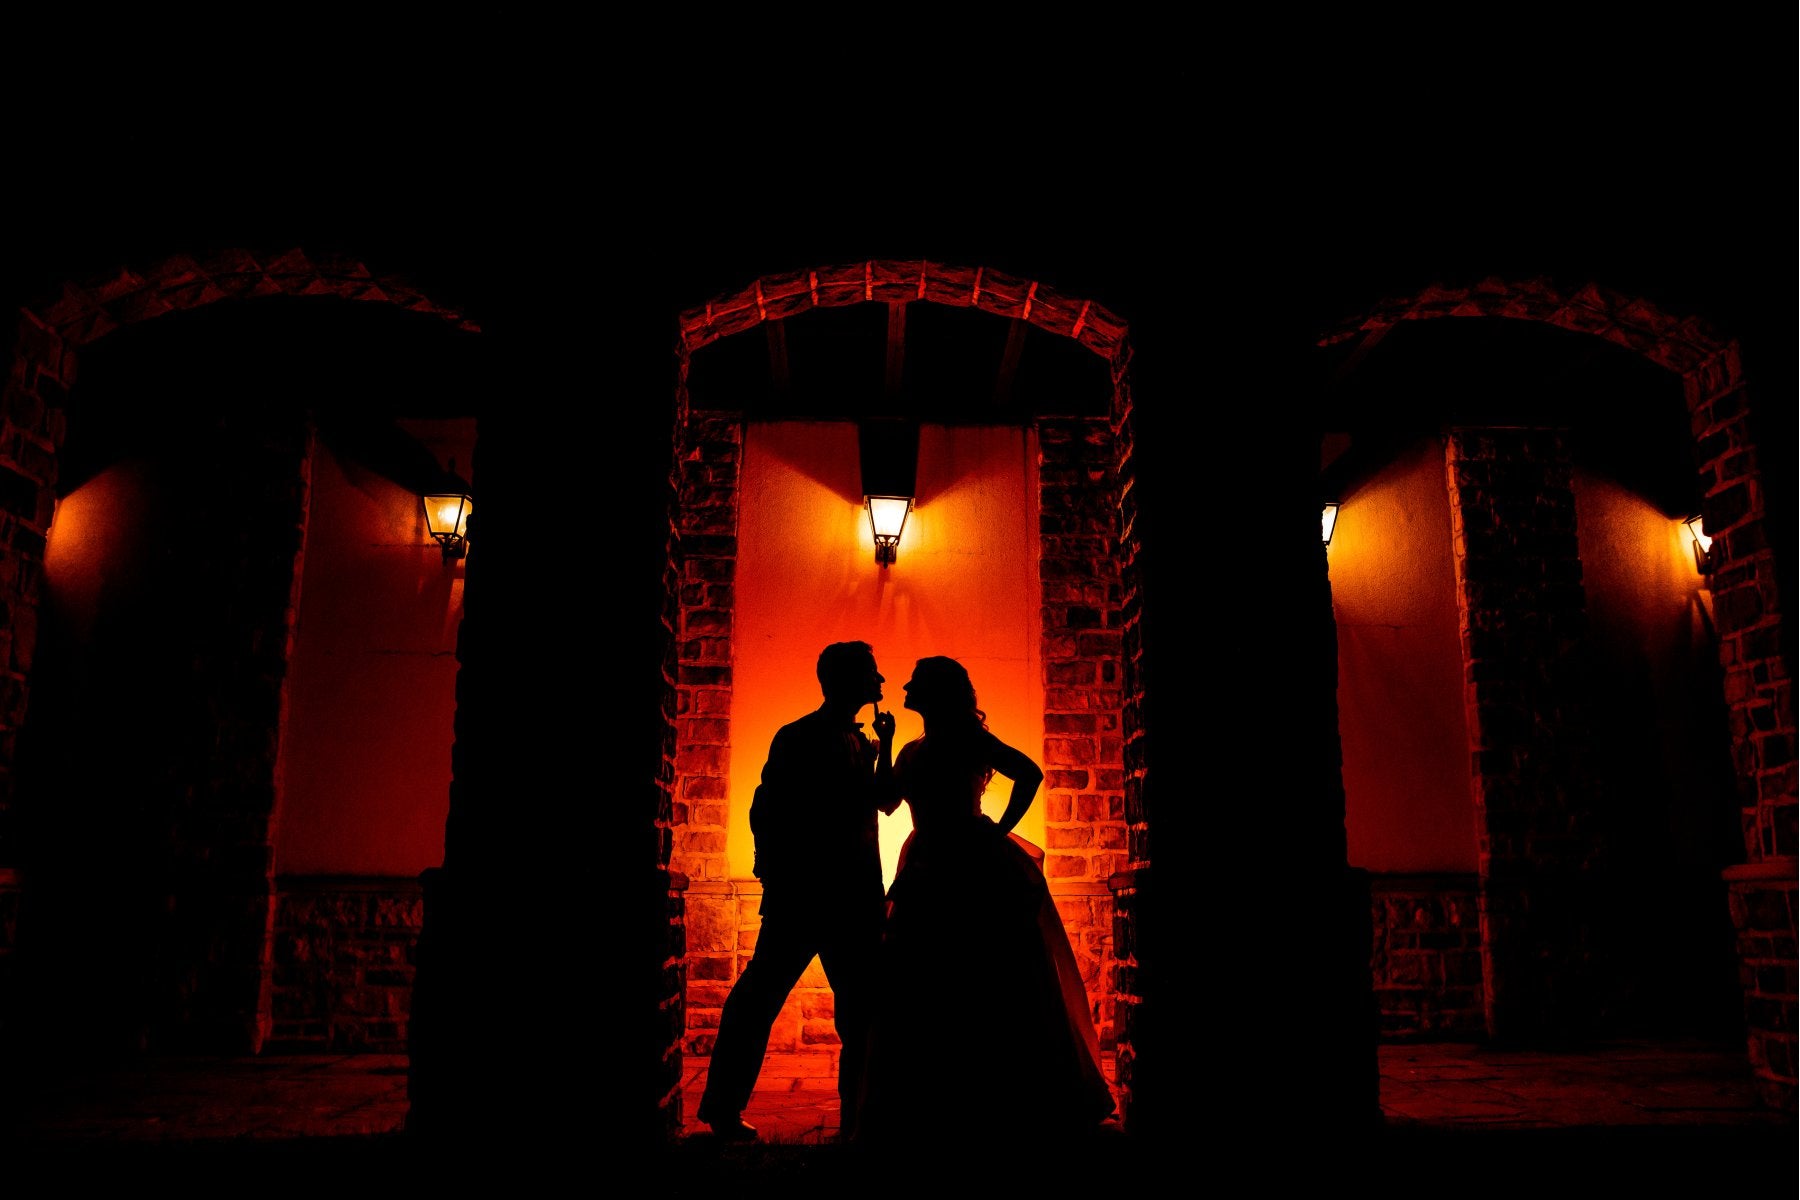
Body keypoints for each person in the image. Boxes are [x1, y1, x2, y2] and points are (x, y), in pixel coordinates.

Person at [855, 655, 1115, 1147]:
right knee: (932, 979)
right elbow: (887, 799)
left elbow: (1030, 773)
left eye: (917, 681)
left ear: (935, 691)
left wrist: (1000, 829)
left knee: (987, 976)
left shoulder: (971, 740)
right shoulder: (912, 750)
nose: (906, 686)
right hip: (931, 861)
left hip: (970, 863)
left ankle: (993, 1099)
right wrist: (886, 742)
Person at [695, 640, 899, 1141]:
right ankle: (733, 1109)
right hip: (813, 896)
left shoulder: (854, 740)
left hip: (843, 896)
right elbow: (766, 809)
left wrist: (885, 745)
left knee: (846, 1009)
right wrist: (772, 872)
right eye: (872, 673)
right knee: (765, 1000)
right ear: (848, 680)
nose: (881, 682)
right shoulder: (800, 737)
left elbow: (886, 804)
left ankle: (856, 1116)